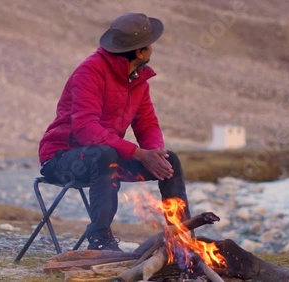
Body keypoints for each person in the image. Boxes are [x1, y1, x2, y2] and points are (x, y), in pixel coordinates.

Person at [38, 13, 191, 251]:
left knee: (170, 160)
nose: (152, 48)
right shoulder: (90, 72)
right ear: (140, 52)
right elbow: (85, 130)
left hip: (102, 156)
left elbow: (147, 123)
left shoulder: (138, 78)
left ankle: (183, 239)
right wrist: (139, 154)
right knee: (105, 155)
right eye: (150, 44)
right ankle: (100, 240)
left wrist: (155, 153)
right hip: (61, 158)